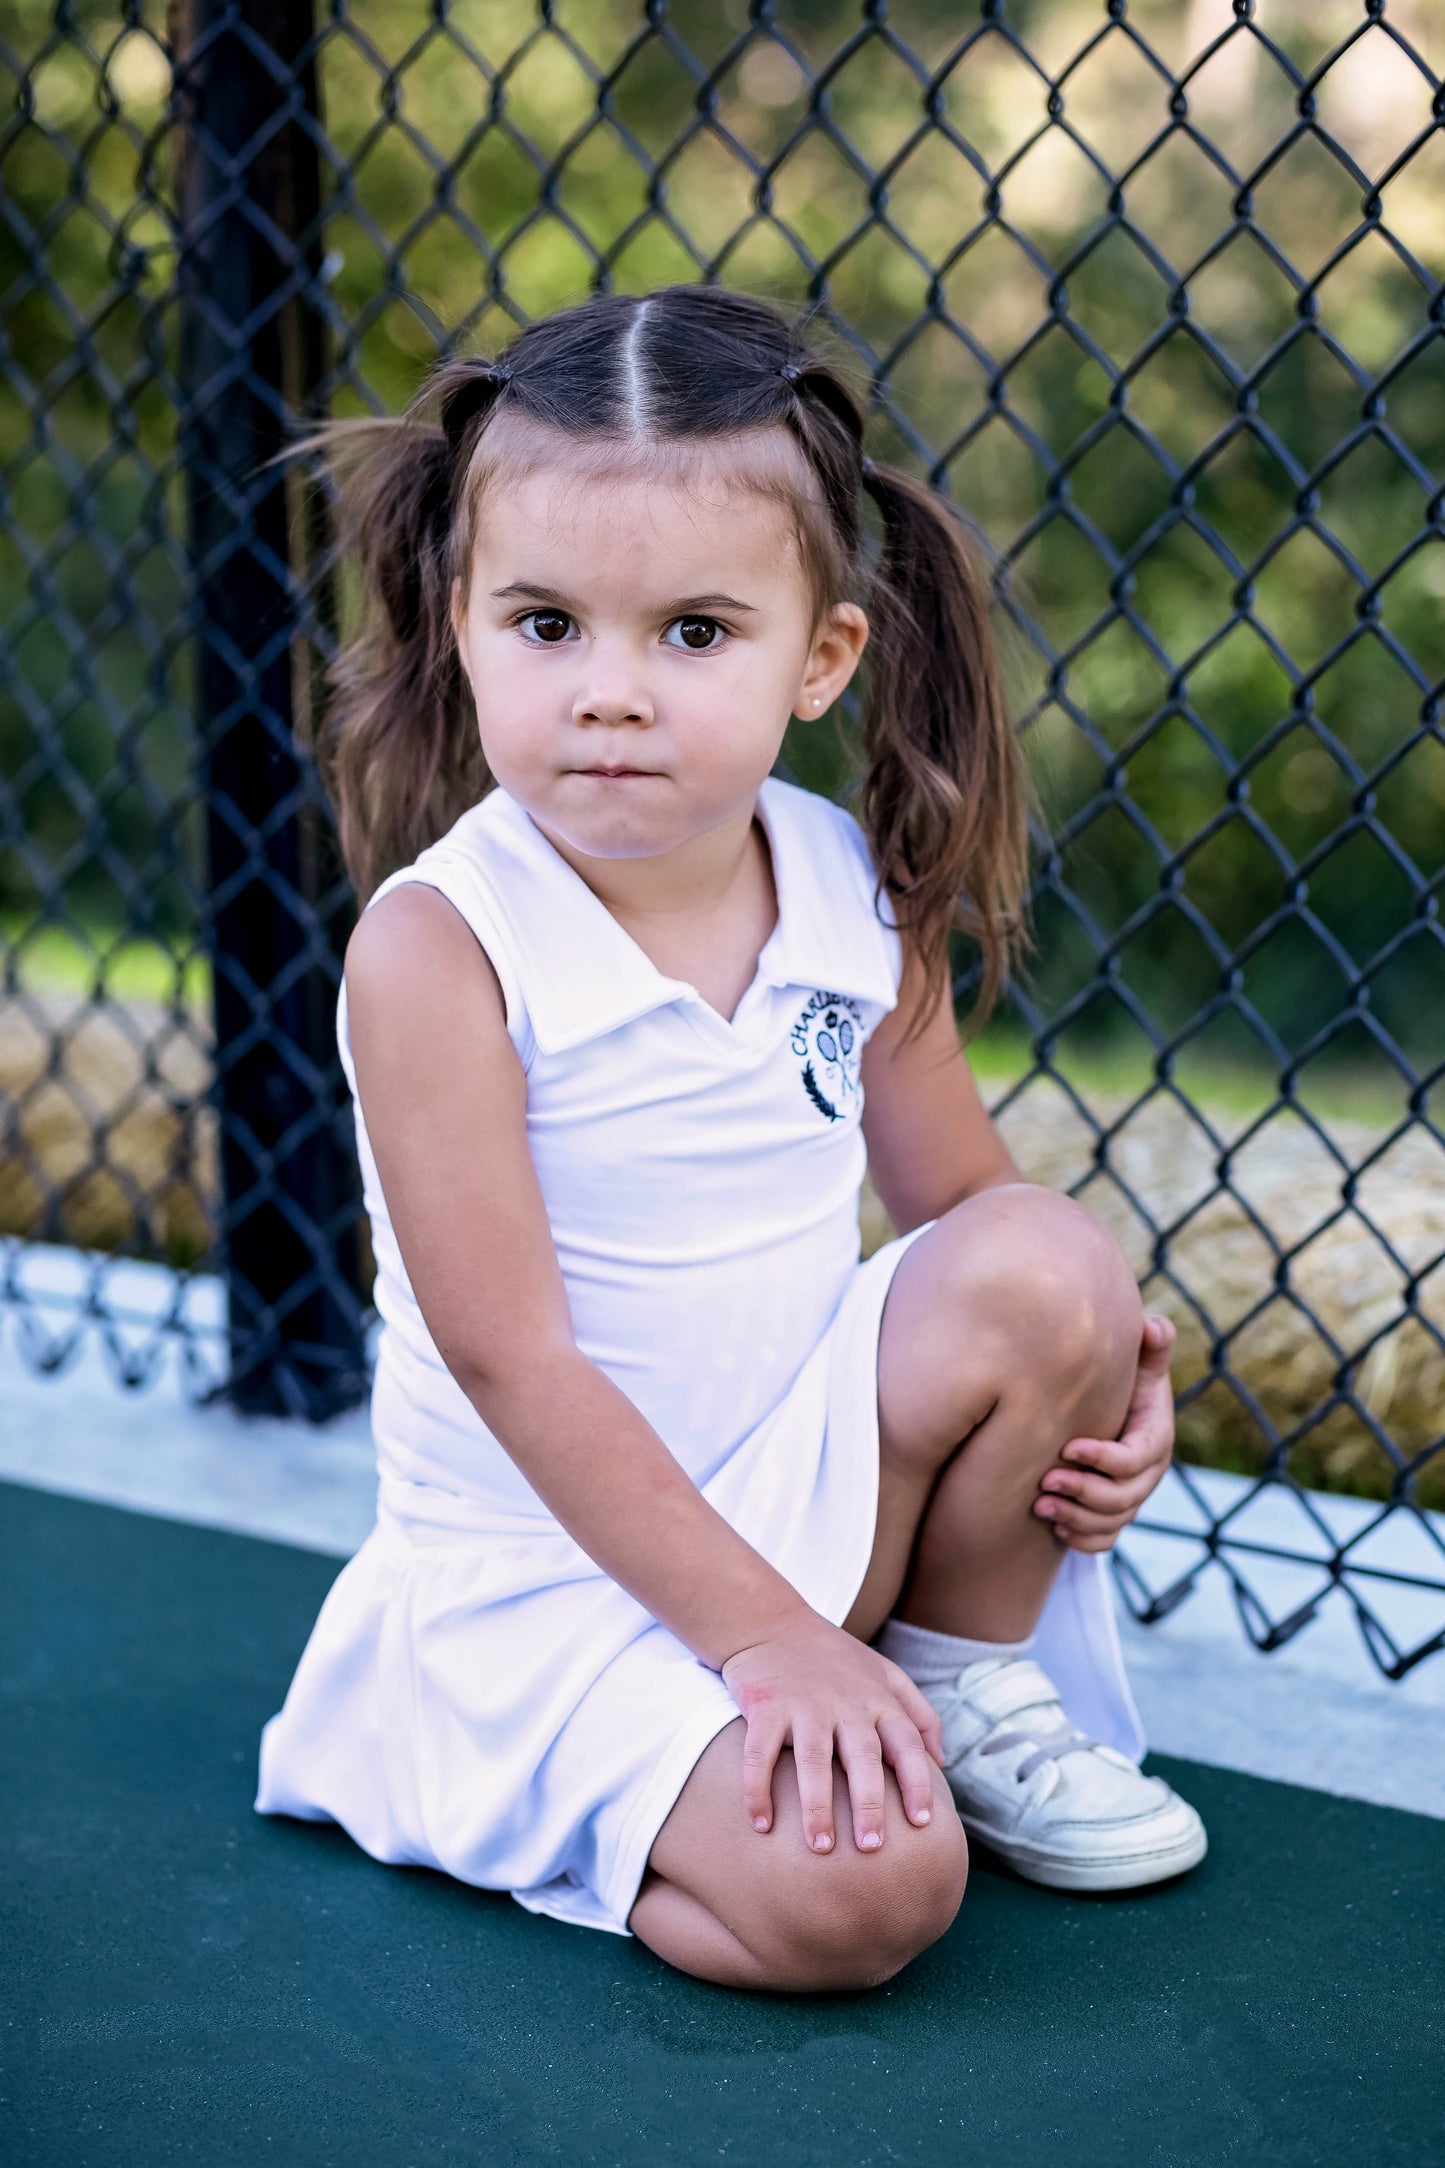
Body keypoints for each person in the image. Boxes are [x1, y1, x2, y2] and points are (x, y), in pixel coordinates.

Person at [255, 284, 1205, 1995]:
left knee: (1049, 1259)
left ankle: (956, 1685)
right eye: (546, 625)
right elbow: (514, 1361)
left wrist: (1110, 1378)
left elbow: (963, 1219)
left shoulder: (847, 881)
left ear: (820, 656)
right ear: (461, 622)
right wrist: (760, 1640)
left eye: (693, 632)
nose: (610, 694)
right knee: (866, 1900)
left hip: (798, 1509)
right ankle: (571, 1775)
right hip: (553, 1578)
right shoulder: (443, 945)